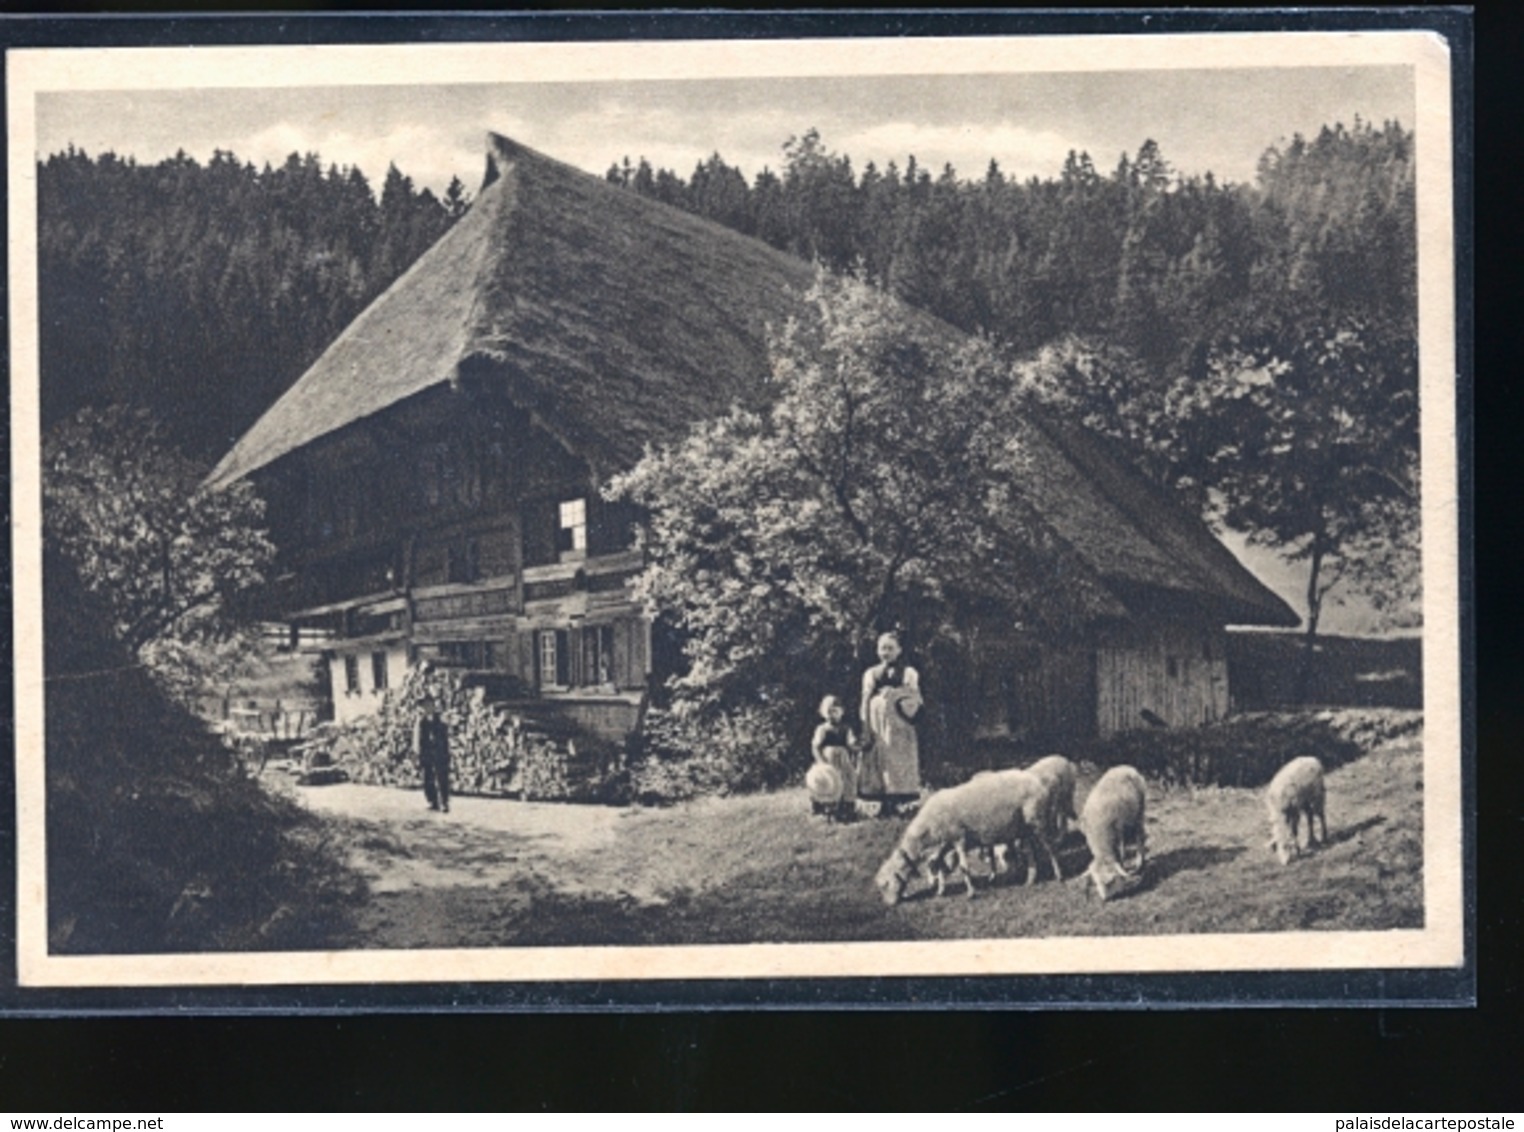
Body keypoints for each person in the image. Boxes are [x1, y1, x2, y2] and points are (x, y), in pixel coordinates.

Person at [858, 631, 923, 817]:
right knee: (878, 759)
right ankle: (881, 804)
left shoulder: (908, 672)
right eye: (882, 648)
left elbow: (914, 698)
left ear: (899, 650)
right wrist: (866, 726)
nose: (886, 652)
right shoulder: (871, 673)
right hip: (877, 723)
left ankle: (901, 804)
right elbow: (865, 699)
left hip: (900, 724)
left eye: (890, 648)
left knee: (899, 759)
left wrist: (895, 692)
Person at [809, 694, 860, 820]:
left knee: (849, 779)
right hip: (828, 760)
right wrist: (820, 762)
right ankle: (826, 809)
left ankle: (847, 808)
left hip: (843, 759)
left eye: (835, 711)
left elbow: (851, 743)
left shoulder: (846, 728)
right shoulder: (823, 729)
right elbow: (815, 746)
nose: (832, 715)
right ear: (823, 713)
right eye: (829, 712)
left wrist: (858, 746)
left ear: (841, 712)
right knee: (828, 783)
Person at [414, 707, 451, 813]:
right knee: (427, 778)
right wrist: (419, 754)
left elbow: (444, 738)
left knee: (442, 778)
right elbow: (418, 740)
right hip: (427, 753)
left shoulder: (440, 720)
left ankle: (444, 802)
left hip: (440, 753)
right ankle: (433, 801)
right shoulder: (421, 722)